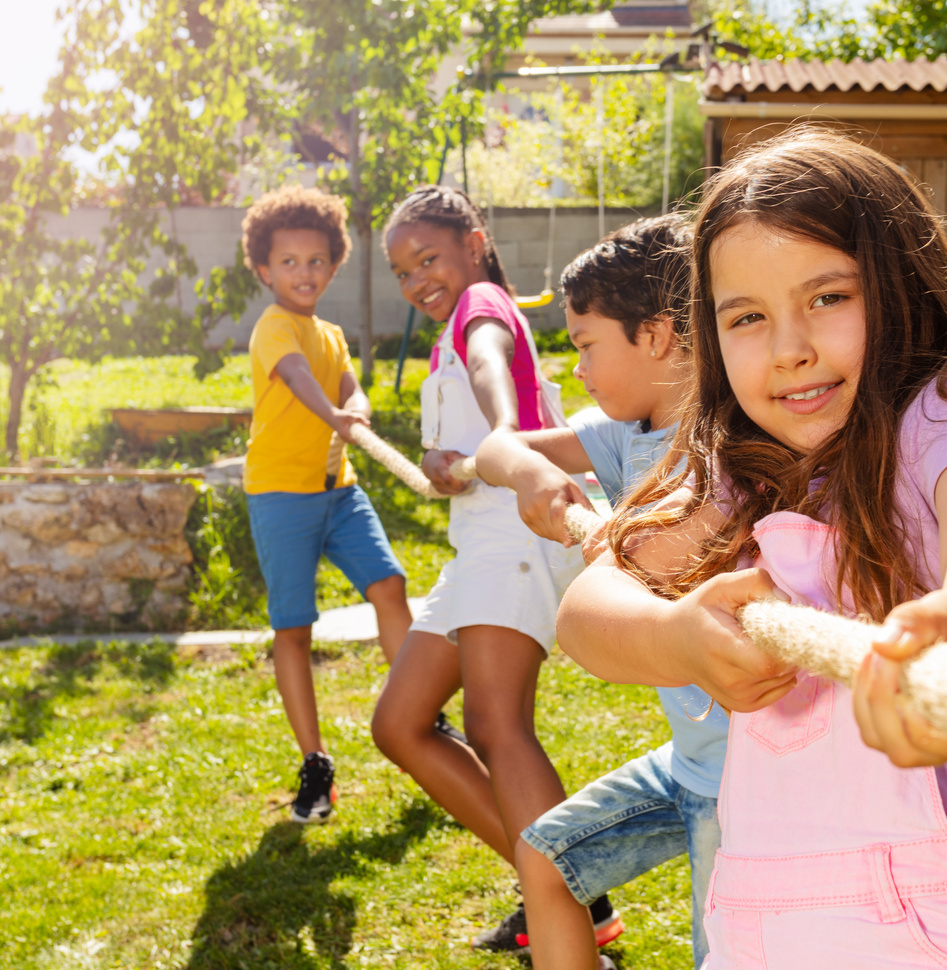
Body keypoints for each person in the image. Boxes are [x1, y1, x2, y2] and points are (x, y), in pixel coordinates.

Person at [557, 129, 947, 969]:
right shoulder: (746, 468)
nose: (790, 345)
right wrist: (674, 634)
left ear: (902, 287)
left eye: (829, 297)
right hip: (777, 918)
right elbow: (589, 608)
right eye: (748, 317)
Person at [472, 214, 725, 969]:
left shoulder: (733, 446)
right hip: (690, 760)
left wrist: (606, 530)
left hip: (744, 781)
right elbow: (496, 448)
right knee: (547, 861)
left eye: (586, 345)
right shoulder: (623, 434)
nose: (575, 368)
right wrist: (530, 472)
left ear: (655, 335)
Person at [368, 186, 608, 954]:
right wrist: (452, 464)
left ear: (474, 242)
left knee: (495, 726)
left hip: (518, 532)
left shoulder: (481, 304)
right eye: (403, 272)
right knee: (400, 724)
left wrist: (503, 433)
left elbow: (489, 362)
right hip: (479, 541)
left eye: (427, 257)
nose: (417, 281)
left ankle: (566, 904)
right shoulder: (448, 330)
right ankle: (572, 892)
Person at [240, 185, 414, 824]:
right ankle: (315, 762)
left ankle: (421, 710)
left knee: (389, 584)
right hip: (280, 493)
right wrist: (338, 414)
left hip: (337, 491)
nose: (303, 273)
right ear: (264, 269)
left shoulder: (332, 334)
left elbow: (347, 384)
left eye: (315, 261)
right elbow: (300, 381)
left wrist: (359, 408)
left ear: (333, 265)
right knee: (294, 625)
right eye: (288, 263)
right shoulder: (273, 328)